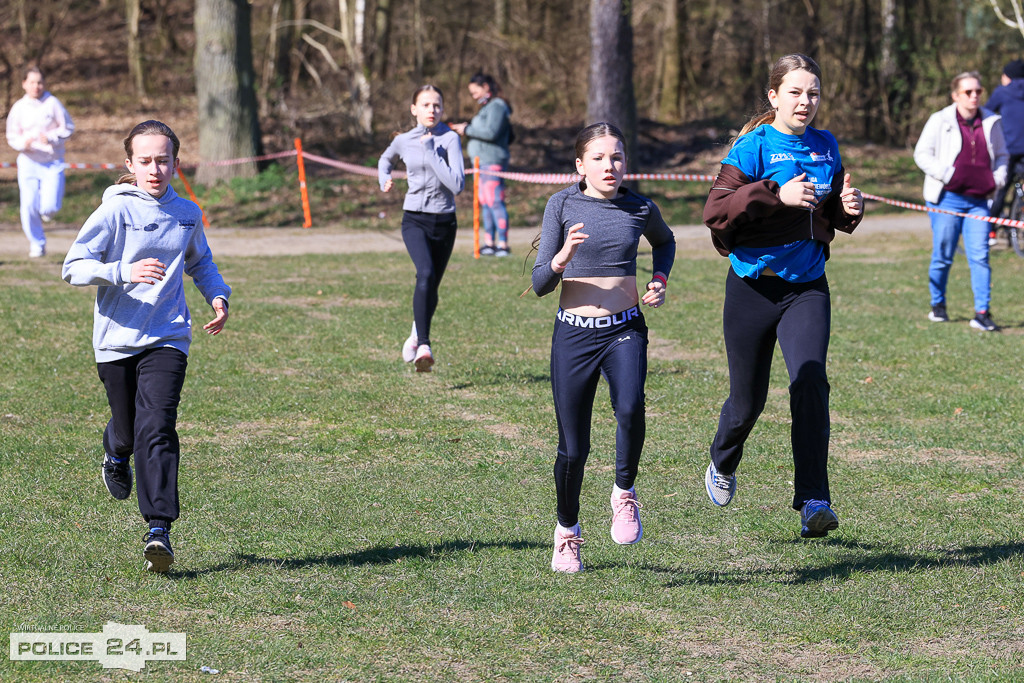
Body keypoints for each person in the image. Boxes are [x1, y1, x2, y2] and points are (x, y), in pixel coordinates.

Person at [702, 53, 863, 539]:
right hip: (752, 287)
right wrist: (776, 193)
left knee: (810, 382)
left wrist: (848, 210)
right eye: (795, 92)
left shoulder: (825, 146)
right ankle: (723, 458)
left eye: (813, 93)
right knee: (746, 402)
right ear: (774, 97)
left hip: (807, 288)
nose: (805, 102)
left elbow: (826, 212)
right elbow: (715, 211)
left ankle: (814, 499)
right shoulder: (753, 147)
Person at [62, 121, 231, 573]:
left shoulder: (187, 213)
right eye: (145, 161)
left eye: (163, 160)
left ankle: (159, 527)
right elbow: (73, 266)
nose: (155, 169)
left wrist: (218, 294)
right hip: (116, 339)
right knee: (129, 427)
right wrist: (122, 271)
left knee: (156, 427)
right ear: (129, 165)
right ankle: (115, 449)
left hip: (168, 336)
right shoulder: (114, 211)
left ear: (176, 162)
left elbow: (201, 262)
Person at [532, 122, 676, 573]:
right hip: (574, 333)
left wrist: (658, 279)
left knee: (631, 407)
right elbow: (540, 283)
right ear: (580, 165)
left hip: (625, 329)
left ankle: (623, 493)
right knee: (573, 448)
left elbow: (666, 242)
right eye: (598, 158)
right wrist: (560, 258)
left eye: (616, 157)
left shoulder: (639, 207)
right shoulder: (561, 204)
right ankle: (567, 533)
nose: (609, 165)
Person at [379, 85, 465, 372]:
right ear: (414, 109)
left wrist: (433, 153)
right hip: (414, 218)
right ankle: (425, 344)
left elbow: (457, 185)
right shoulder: (403, 141)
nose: (432, 110)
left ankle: (417, 331)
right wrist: (384, 178)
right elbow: (385, 159)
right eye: (426, 105)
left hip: (445, 221)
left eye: (437, 105)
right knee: (424, 273)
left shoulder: (450, 139)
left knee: (432, 285)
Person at [914, 71, 1008, 331]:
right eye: (968, 92)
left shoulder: (991, 121)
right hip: (947, 199)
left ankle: (982, 312)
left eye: (978, 91)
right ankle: (938, 306)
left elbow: (1002, 156)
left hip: (979, 201)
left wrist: (997, 180)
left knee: (980, 256)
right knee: (943, 255)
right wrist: (948, 174)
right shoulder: (940, 120)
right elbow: (921, 154)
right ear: (956, 95)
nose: (974, 96)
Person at [5, 66, 75, 258]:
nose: (37, 86)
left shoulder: (52, 103)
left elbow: (68, 127)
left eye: (40, 82)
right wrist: (22, 144)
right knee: (28, 205)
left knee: (49, 207)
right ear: (24, 84)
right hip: (28, 162)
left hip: (52, 162)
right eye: (32, 82)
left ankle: (47, 212)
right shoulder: (19, 107)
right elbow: (11, 135)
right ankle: (37, 243)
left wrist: (51, 137)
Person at [450, 72, 513, 257]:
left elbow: (491, 132)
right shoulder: (486, 107)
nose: (473, 96)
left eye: (475, 91)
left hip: (493, 162)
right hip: (481, 163)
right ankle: (489, 243)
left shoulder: (497, 106)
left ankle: (503, 244)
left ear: (485, 86)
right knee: (486, 203)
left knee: (495, 201)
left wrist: (468, 129)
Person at [985, 59, 1024, 239]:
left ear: (1008, 77)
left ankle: (990, 230)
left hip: (1009, 150)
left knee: (1001, 188)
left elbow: (986, 113)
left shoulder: (1002, 92)